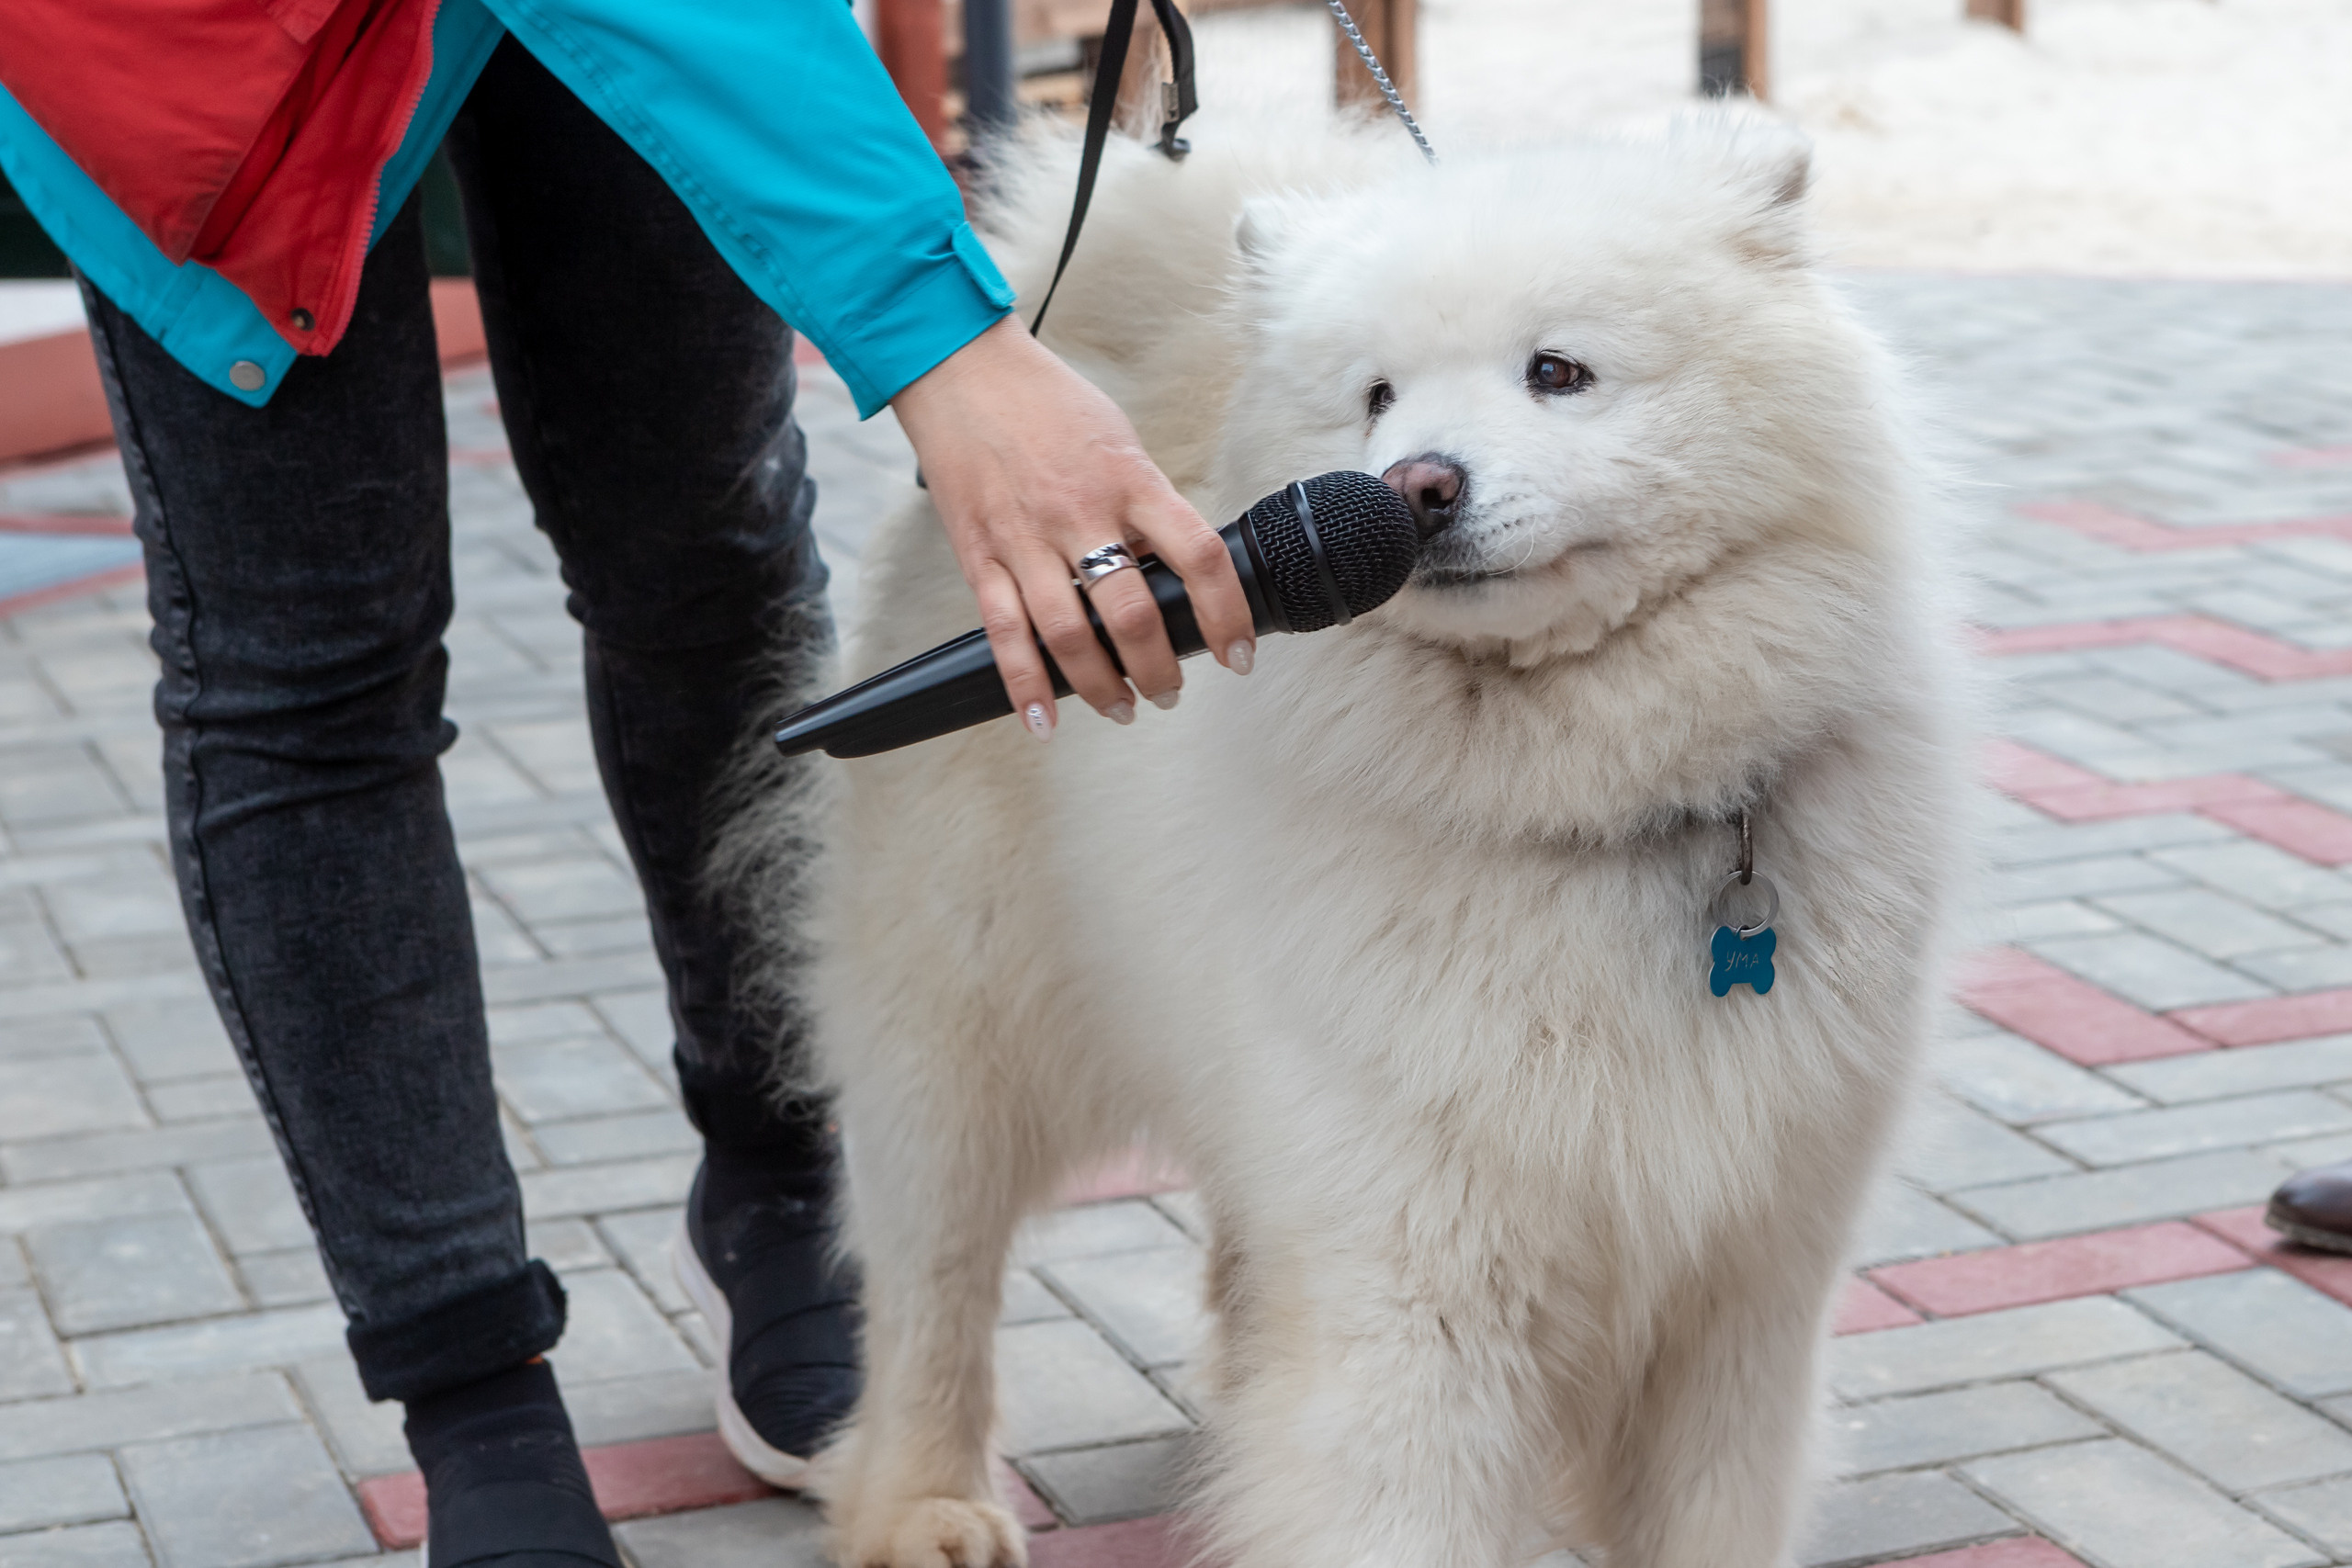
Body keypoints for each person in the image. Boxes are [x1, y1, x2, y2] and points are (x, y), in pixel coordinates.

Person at [0, 6, 1254, 1565]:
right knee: (308, 670)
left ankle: (778, 1181)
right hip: (207, 40)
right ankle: (470, 1383)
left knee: (705, 566)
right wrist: (948, 342)